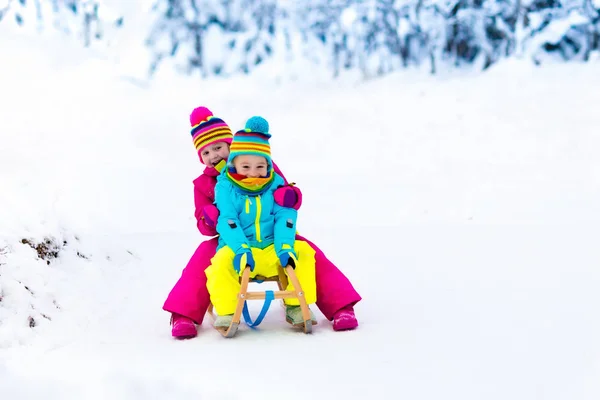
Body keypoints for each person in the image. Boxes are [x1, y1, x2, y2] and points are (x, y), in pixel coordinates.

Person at [163, 106, 361, 338]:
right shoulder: (203, 184)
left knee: (308, 253)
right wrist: (208, 218)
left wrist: (289, 196)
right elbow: (204, 224)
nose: (213, 155)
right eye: (205, 153)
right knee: (202, 262)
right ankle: (183, 314)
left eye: (218, 148)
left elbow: (284, 198)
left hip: (270, 233)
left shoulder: (259, 162)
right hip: (231, 237)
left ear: (231, 145)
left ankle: (340, 306)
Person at [206, 116, 317, 328]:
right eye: (245, 166)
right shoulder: (225, 187)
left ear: (268, 165)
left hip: (271, 247)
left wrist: (285, 246)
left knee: (304, 252)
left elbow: (285, 216)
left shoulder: (275, 183)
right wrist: (240, 249)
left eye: (260, 166)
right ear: (233, 165)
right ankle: (228, 311)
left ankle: (296, 306)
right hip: (239, 248)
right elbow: (227, 220)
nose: (253, 173)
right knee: (219, 264)